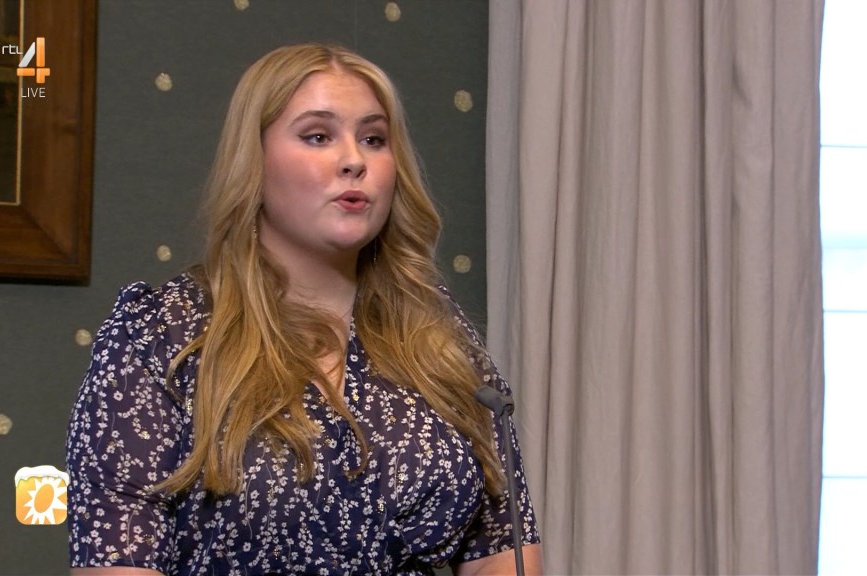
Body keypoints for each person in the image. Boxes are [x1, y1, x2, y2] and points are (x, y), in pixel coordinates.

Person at [66, 42, 542, 575]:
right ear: (254, 161)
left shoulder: (436, 332)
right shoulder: (162, 333)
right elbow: (117, 555)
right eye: (318, 136)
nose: (354, 160)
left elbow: (502, 543)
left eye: (374, 139)